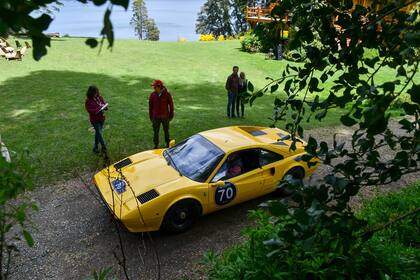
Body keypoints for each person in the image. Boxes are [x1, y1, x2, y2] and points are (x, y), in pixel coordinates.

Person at [149, 80, 174, 149]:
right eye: (153, 87)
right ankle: (156, 145)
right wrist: (151, 116)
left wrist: (171, 115)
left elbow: (171, 105)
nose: (154, 88)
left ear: (159, 86)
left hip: (165, 116)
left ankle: (168, 145)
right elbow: (150, 107)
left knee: (166, 131)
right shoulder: (152, 95)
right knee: (155, 132)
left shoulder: (167, 94)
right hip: (155, 117)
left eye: (155, 87)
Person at [85, 85, 108, 154]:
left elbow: (103, 104)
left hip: (102, 118)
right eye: (94, 93)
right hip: (94, 120)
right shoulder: (88, 101)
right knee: (99, 133)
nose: (96, 94)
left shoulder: (100, 97)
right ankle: (104, 147)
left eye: (96, 92)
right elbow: (90, 111)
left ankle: (95, 147)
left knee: (98, 133)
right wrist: (99, 108)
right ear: (90, 93)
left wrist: (105, 107)